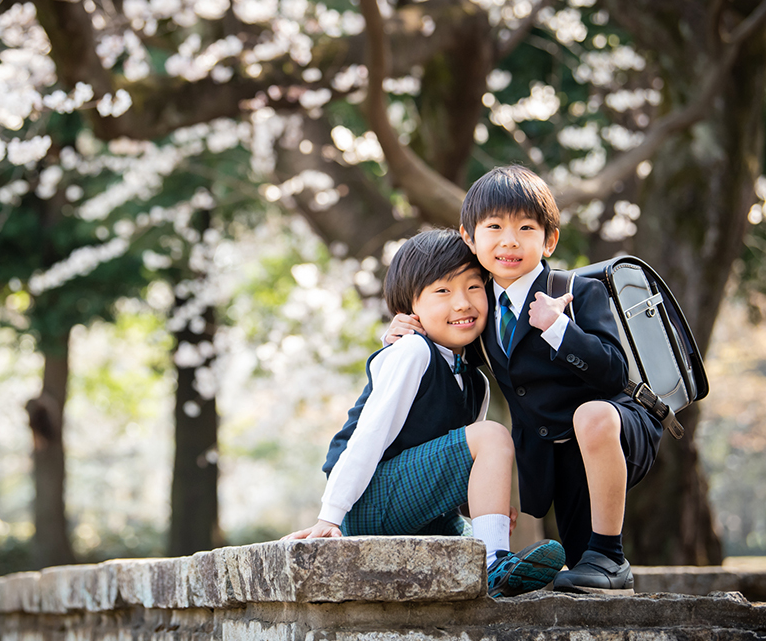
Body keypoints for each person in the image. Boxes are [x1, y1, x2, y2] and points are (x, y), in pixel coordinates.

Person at [390, 165, 661, 594]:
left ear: (549, 240)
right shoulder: (482, 310)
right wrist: (404, 332)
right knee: (582, 574)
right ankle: (602, 565)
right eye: (494, 226)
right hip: (556, 459)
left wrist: (559, 329)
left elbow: (613, 371)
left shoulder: (578, 290)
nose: (509, 240)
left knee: (591, 419)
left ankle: (612, 554)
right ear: (469, 237)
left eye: (526, 227)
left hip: (614, 430)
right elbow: (449, 358)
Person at [283, 229, 565, 599]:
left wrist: (485, 509)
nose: (462, 303)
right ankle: (496, 561)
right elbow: (369, 436)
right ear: (410, 308)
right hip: (369, 500)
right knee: (493, 435)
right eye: (442, 291)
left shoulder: (475, 381)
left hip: (417, 509)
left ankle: (496, 557)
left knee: (471, 540)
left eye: (473, 287)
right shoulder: (412, 351)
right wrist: (330, 516)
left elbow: (451, 458)